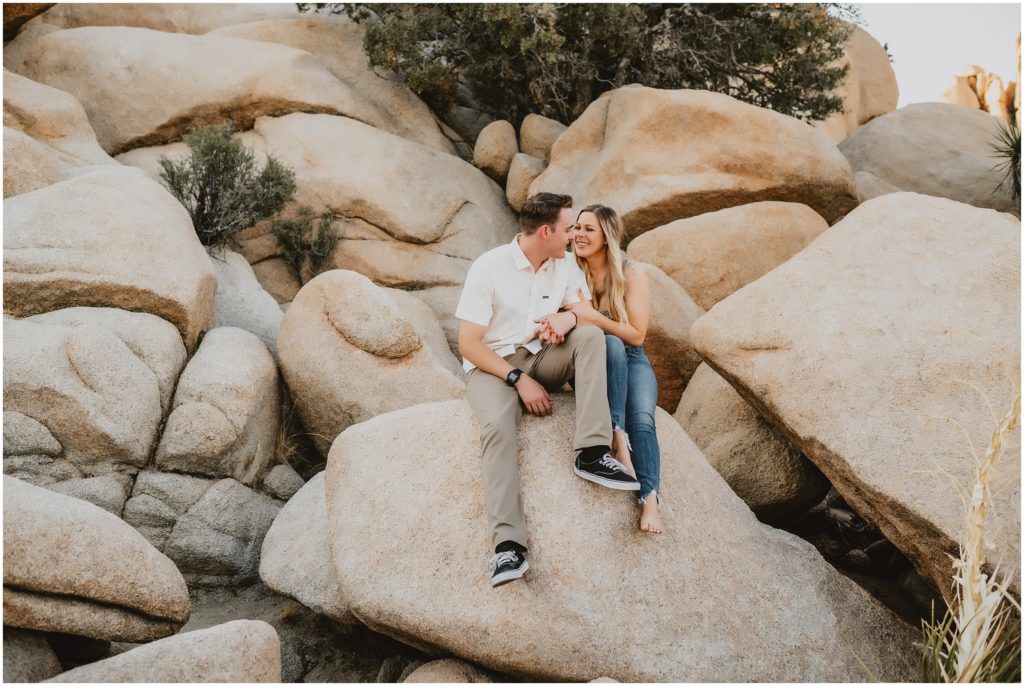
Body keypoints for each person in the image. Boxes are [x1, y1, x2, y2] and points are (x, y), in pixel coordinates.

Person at [456, 192, 640, 588]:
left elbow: (584, 310)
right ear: (546, 231)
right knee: (497, 429)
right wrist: (518, 380)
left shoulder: (564, 265)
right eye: (568, 227)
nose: (573, 235)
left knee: (592, 337)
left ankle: (591, 452)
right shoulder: (488, 267)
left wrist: (567, 316)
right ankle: (508, 546)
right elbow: (469, 344)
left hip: (543, 356)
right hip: (493, 368)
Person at [567, 204, 664, 534]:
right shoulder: (568, 270)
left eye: (588, 229)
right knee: (606, 343)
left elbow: (637, 335)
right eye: (576, 227)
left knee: (644, 420)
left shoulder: (630, 272)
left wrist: (591, 315)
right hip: (593, 363)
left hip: (633, 357)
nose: (579, 234)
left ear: (606, 237)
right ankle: (616, 436)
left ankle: (649, 499)